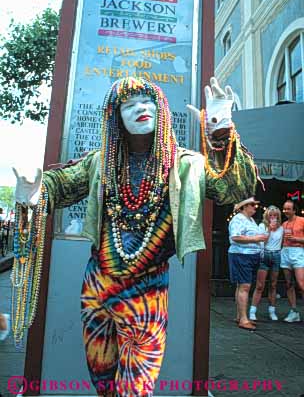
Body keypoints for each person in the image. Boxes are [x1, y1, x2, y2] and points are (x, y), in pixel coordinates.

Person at [12, 76, 258, 397]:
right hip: (97, 288)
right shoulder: (100, 163)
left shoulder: (186, 166)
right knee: (103, 382)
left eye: (147, 101)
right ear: (116, 117)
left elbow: (235, 189)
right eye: (129, 105)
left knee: (136, 389)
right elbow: (59, 186)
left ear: (161, 109)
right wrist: (35, 190)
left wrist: (222, 134)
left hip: (148, 293)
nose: (140, 108)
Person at [228, 197, 269, 331]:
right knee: (244, 286)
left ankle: (241, 316)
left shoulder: (250, 220)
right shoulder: (238, 219)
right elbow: (235, 237)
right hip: (242, 255)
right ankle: (243, 319)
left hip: (249, 256)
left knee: (242, 285)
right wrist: (256, 238)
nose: (254, 207)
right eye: (252, 205)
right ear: (244, 206)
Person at [249, 205, 283, 321]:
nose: (273, 218)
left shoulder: (282, 228)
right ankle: (252, 311)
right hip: (265, 255)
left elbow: (283, 243)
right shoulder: (262, 226)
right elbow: (262, 240)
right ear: (267, 216)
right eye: (271, 215)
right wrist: (269, 229)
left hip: (276, 255)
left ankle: (272, 311)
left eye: (275, 216)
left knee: (273, 285)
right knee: (260, 285)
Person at [281, 199, 304, 322]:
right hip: (285, 251)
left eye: (288, 209)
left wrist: (295, 238)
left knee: (301, 283)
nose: (285, 211)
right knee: (289, 283)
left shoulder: (302, 220)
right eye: (284, 209)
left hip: (298, 251)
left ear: (294, 210)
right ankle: (294, 311)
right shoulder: (283, 224)